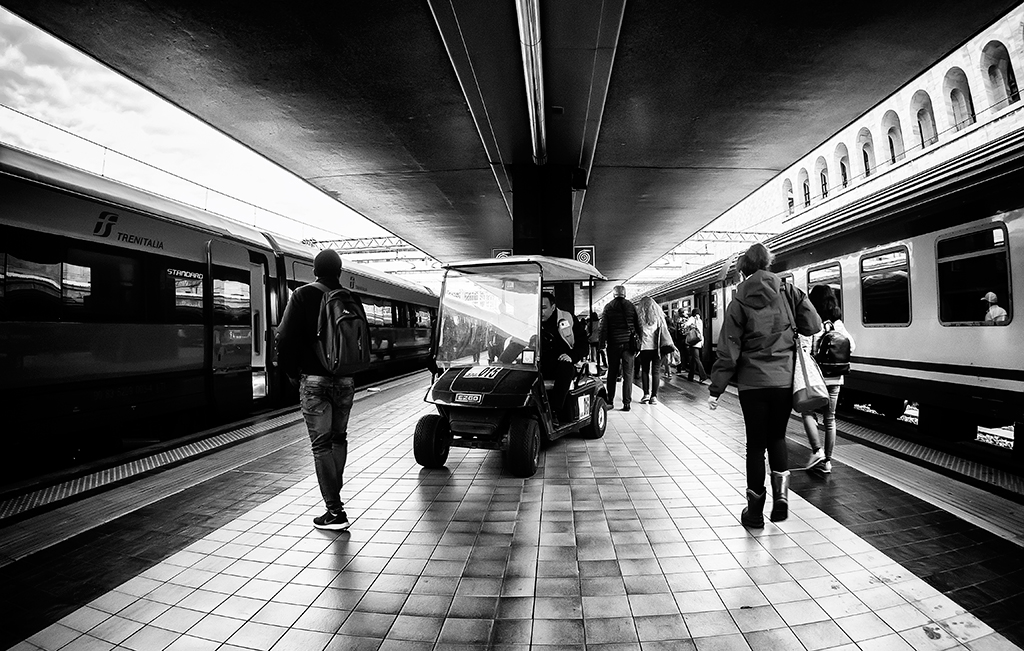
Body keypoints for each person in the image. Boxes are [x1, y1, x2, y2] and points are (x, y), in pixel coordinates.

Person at [707, 243, 821, 528]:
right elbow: (814, 324)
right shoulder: (788, 291)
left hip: (752, 384)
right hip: (783, 381)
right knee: (777, 438)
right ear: (769, 264)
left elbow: (729, 349)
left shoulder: (738, 301)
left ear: (744, 269)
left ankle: (755, 512)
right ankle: (781, 499)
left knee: (756, 446)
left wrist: (716, 388)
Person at [277, 249, 363, 531]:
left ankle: (335, 511)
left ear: (314, 270)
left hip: (314, 380)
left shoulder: (303, 295)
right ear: (339, 272)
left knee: (321, 444)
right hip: (346, 380)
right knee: (339, 438)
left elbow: (285, 338)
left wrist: (291, 374)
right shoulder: (352, 298)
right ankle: (335, 502)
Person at [801, 285, 855, 474]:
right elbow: (852, 346)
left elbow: (805, 351)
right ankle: (828, 463)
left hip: (817, 379)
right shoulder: (838, 324)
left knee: (807, 411)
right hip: (836, 379)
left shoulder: (812, 322)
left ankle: (817, 451)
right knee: (830, 419)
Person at [540, 292, 589, 423]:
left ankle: (554, 411)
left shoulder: (568, 319)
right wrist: (503, 361)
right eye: (538, 307)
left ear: (553, 306)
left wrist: (571, 356)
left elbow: (584, 345)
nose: (540, 312)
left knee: (565, 369)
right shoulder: (532, 320)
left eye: (544, 308)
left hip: (562, 362)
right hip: (540, 363)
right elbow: (517, 341)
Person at [600, 285, 642, 411]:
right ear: (624, 293)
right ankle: (626, 403)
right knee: (628, 374)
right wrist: (640, 342)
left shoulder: (608, 307)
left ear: (614, 294)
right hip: (628, 345)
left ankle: (610, 401)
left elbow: (603, 328)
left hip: (613, 345)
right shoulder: (631, 306)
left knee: (612, 373)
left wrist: (601, 344)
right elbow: (638, 325)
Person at [636, 297, 674, 404]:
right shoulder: (659, 318)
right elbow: (665, 333)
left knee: (645, 371)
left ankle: (646, 395)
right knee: (656, 372)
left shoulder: (639, 318)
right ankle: (654, 397)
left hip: (644, 349)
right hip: (657, 349)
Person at [682, 307, 709, 383]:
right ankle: (690, 376)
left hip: (693, 341)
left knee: (696, 358)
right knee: (694, 359)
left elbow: (685, 325)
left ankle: (703, 376)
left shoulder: (692, 319)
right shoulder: (700, 320)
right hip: (699, 341)